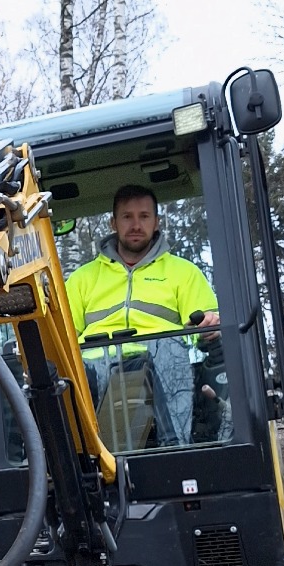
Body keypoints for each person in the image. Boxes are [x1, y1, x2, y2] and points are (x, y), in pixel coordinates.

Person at [63, 185, 220, 446]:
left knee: (157, 357)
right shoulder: (82, 279)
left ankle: (173, 447)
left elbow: (206, 322)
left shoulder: (183, 273)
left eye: (144, 216)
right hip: (95, 381)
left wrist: (209, 326)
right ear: (113, 222)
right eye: (127, 217)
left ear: (157, 222)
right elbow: (63, 335)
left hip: (162, 375)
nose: (136, 224)